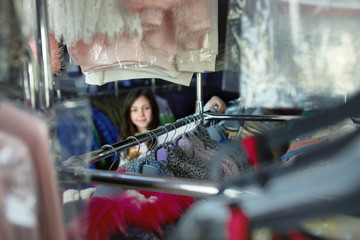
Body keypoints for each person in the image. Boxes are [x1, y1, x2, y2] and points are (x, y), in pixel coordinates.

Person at [118, 88, 227, 166]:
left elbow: (188, 125)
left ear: (154, 109)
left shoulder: (162, 134)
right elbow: (121, 168)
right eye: (135, 110)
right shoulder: (126, 140)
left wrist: (209, 106)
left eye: (146, 108)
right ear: (128, 113)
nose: (141, 114)